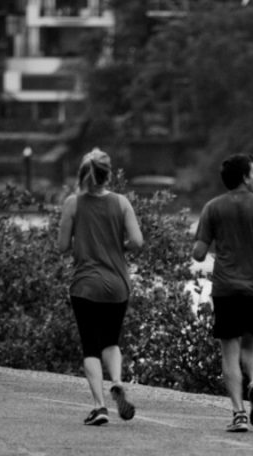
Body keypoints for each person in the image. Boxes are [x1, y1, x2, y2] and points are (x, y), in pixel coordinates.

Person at [192, 153, 253, 432]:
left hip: (225, 289)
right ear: (244, 177)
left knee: (229, 352)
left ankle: (239, 414)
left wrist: (203, 244)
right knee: (251, 344)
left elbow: (198, 253)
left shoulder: (212, 208)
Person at [57, 148, 144, 426]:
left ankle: (99, 406)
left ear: (83, 174)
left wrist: (81, 240)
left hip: (85, 285)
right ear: (109, 175)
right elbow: (137, 241)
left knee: (90, 347)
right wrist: (118, 246)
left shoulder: (73, 203)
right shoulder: (121, 203)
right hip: (117, 284)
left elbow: (62, 246)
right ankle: (116, 381)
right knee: (111, 341)